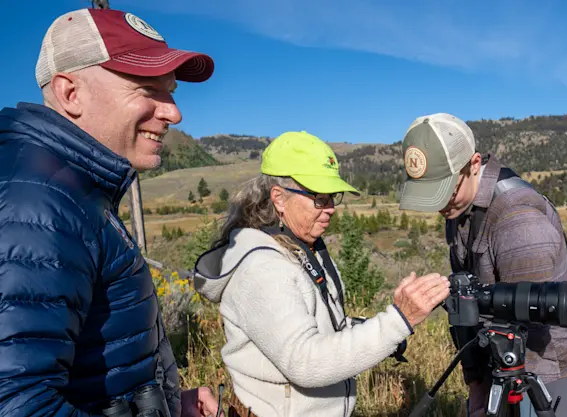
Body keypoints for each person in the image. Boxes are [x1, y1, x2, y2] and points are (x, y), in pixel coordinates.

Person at [0, 8, 220, 416]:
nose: (174, 112)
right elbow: (17, 403)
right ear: (71, 93)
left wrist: (171, 404)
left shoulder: (73, 189)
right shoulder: (40, 203)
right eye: (147, 89)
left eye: (170, 90)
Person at [192, 130, 451, 417]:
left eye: (332, 197)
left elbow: (326, 329)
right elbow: (305, 361)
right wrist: (397, 321)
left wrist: (375, 330)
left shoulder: (301, 250)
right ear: (278, 198)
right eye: (318, 198)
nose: (330, 209)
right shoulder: (262, 269)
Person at [398, 113, 567, 417]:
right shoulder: (460, 207)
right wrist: (477, 381)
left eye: (445, 190)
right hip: (498, 359)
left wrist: (488, 390)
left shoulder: (516, 218)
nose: (440, 205)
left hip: (545, 370)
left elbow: (529, 331)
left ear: (474, 164)